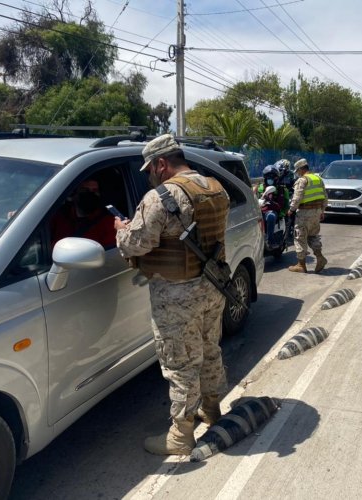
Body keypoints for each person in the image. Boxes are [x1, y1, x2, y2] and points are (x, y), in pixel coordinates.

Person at [114, 134, 230, 456]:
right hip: (213, 286)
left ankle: (181, 435)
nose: (150, 176)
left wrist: (120, 229)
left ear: (161, 164)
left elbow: (135, 244)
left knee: (180, 363)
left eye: (150, 169)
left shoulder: (161, 197)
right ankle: (212, 409)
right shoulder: (215, 188)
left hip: (177, 298)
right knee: (208, 350)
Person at [287, 158, 328, 273]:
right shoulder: (318, 179)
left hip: (304, 213)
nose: (297, 173)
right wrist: (322, 211)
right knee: (313, 236)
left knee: (299, 237)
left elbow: (297, 197)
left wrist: (291, 209)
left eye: (298, 171)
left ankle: (301, 265)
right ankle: (320, 257)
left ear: (301, 169)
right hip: (316, 212)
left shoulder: (302, 180)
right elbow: (325, 197)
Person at [51, 178, 116, 248]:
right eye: (85, 190)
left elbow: (109, 253)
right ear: (74, 194)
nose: (90, 194)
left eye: (95, 191)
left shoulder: (108, 222)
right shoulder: (59, 216)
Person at [254, 165, 289, 246]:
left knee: (271, 216)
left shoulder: (282, 190)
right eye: (268, 177)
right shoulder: (259, 188)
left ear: (276, 178)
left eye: (273, 177)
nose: (270, 179)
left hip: (272, 212)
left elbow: (285, 206)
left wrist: (282, 213)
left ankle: (270, 240)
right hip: (258, 211)